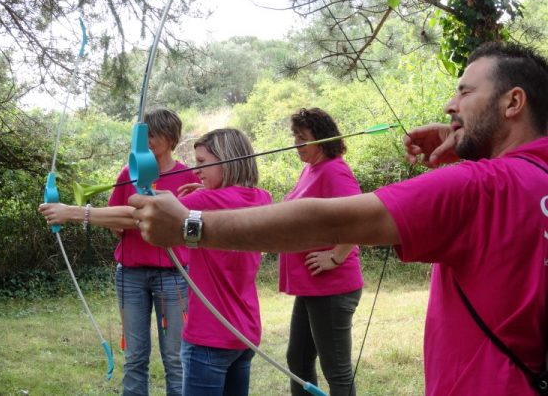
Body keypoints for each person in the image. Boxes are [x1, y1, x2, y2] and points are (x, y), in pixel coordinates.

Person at [128, 42, 548, 396]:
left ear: (513, 101)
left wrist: (190, 226)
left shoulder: (480, 185)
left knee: (335, 366)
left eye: (465, 92)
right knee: (300, 358)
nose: (450, 105)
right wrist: (479, 144)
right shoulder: (528, 178)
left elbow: (327, 222)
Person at [40, 107, 200, 396]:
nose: (147, 142)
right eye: (142, 136)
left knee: (176, 358)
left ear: (171, 137)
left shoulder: (188, 176)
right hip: (131, 275)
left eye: (152, 135)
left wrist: (80, 213)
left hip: (173, 275)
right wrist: (126, 218)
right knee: (135, 357)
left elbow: (143, 219)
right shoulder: (129, 172)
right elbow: (118, 222)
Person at [173, 128, 271, 396]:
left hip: (209, 335)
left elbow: (143, 214)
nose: (196, 171)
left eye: (203, 162)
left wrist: (78, 213)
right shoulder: (263, 198)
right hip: (245, 334)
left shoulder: (205, 200)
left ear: (227, 160)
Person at [281, 108, 363, 396]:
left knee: (336, 369)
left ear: (323, 140)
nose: (296, 144)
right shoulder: (311, 168)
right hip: (312, 285)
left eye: (303, 138)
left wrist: (336, 256)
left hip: (333, 287)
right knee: (298, 359)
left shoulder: (334, 169)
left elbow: (359, 217)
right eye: (295, 137)